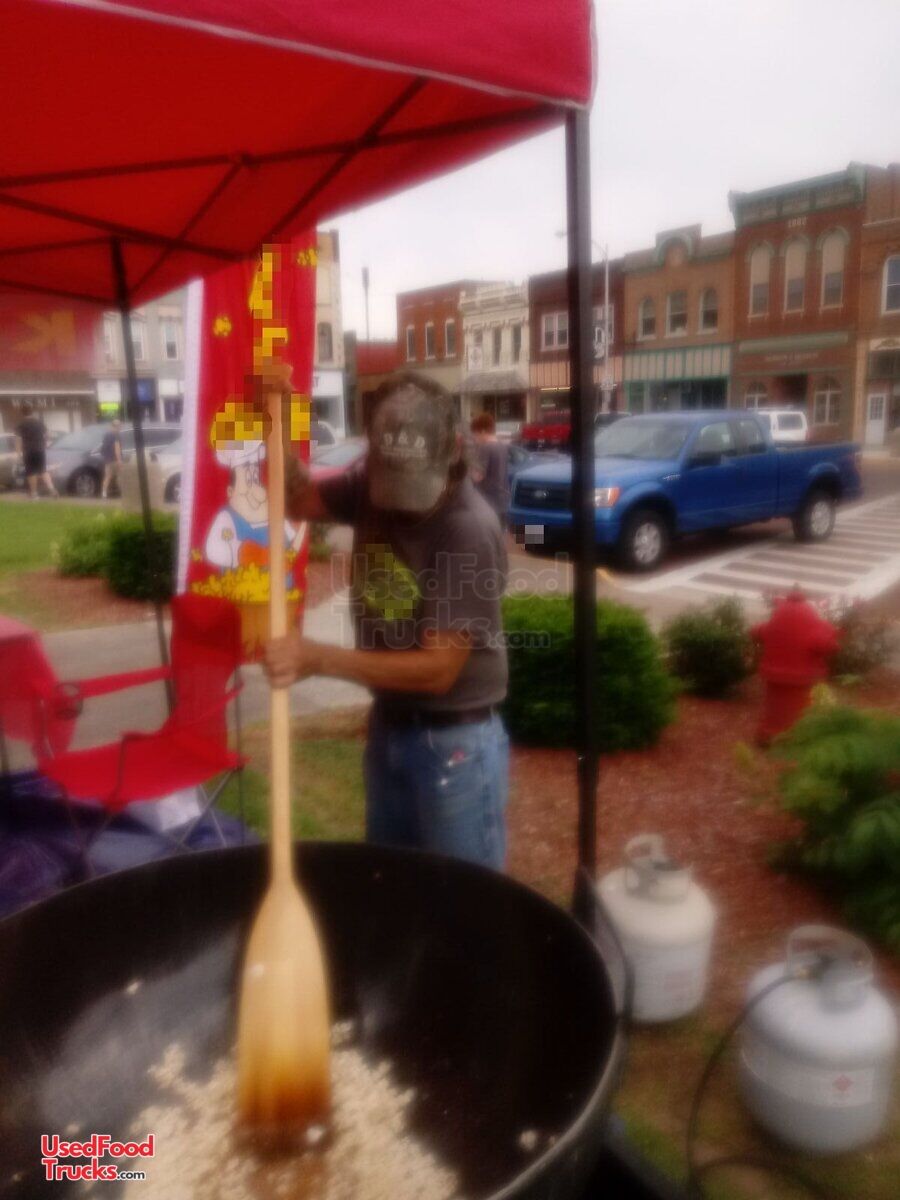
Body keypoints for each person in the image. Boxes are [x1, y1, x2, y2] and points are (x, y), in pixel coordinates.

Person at [264, 373, 510, 870]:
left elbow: (439, 670)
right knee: (391, 886)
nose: (399, 501)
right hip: (390, 728)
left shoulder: (468, 528)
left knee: (464, 900)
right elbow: (293, 499)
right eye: (389, 482)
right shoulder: (369, 487)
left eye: (413, 486)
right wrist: (277, 420)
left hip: (454, 747)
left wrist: (318, 658)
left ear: (453, 450)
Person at [469, 412, 510, 523]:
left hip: (487, 503)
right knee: (500, 531)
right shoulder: (502, 446)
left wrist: (467, 468)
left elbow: (477, 476)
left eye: (475, 434)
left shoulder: (485, 448)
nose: (474, 438)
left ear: (482, 431)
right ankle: (540, 534)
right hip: (502, 501)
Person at [15, 404, 57, 499]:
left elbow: (18, 440)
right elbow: (48, 435)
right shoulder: (39, 423)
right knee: (43, 471)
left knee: (31, 473)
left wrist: (18, 454)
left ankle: (34, 494)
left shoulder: (21, 424)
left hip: (28, 451)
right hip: (40, 450)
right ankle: (52, 489)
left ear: (22, 413)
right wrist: (45, 444)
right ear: (32, 412)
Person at [100, 419, 123, 499]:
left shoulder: (106, 435)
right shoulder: (116, 435)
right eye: (120, 426)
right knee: (120, 476)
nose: (120, 428)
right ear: (116, 426)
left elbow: (103, 448)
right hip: (115, 460)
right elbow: (117, 448)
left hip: (108, 460)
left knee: (107, 477)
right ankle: (123, 493)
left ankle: (104, 493)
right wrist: (119, 460)